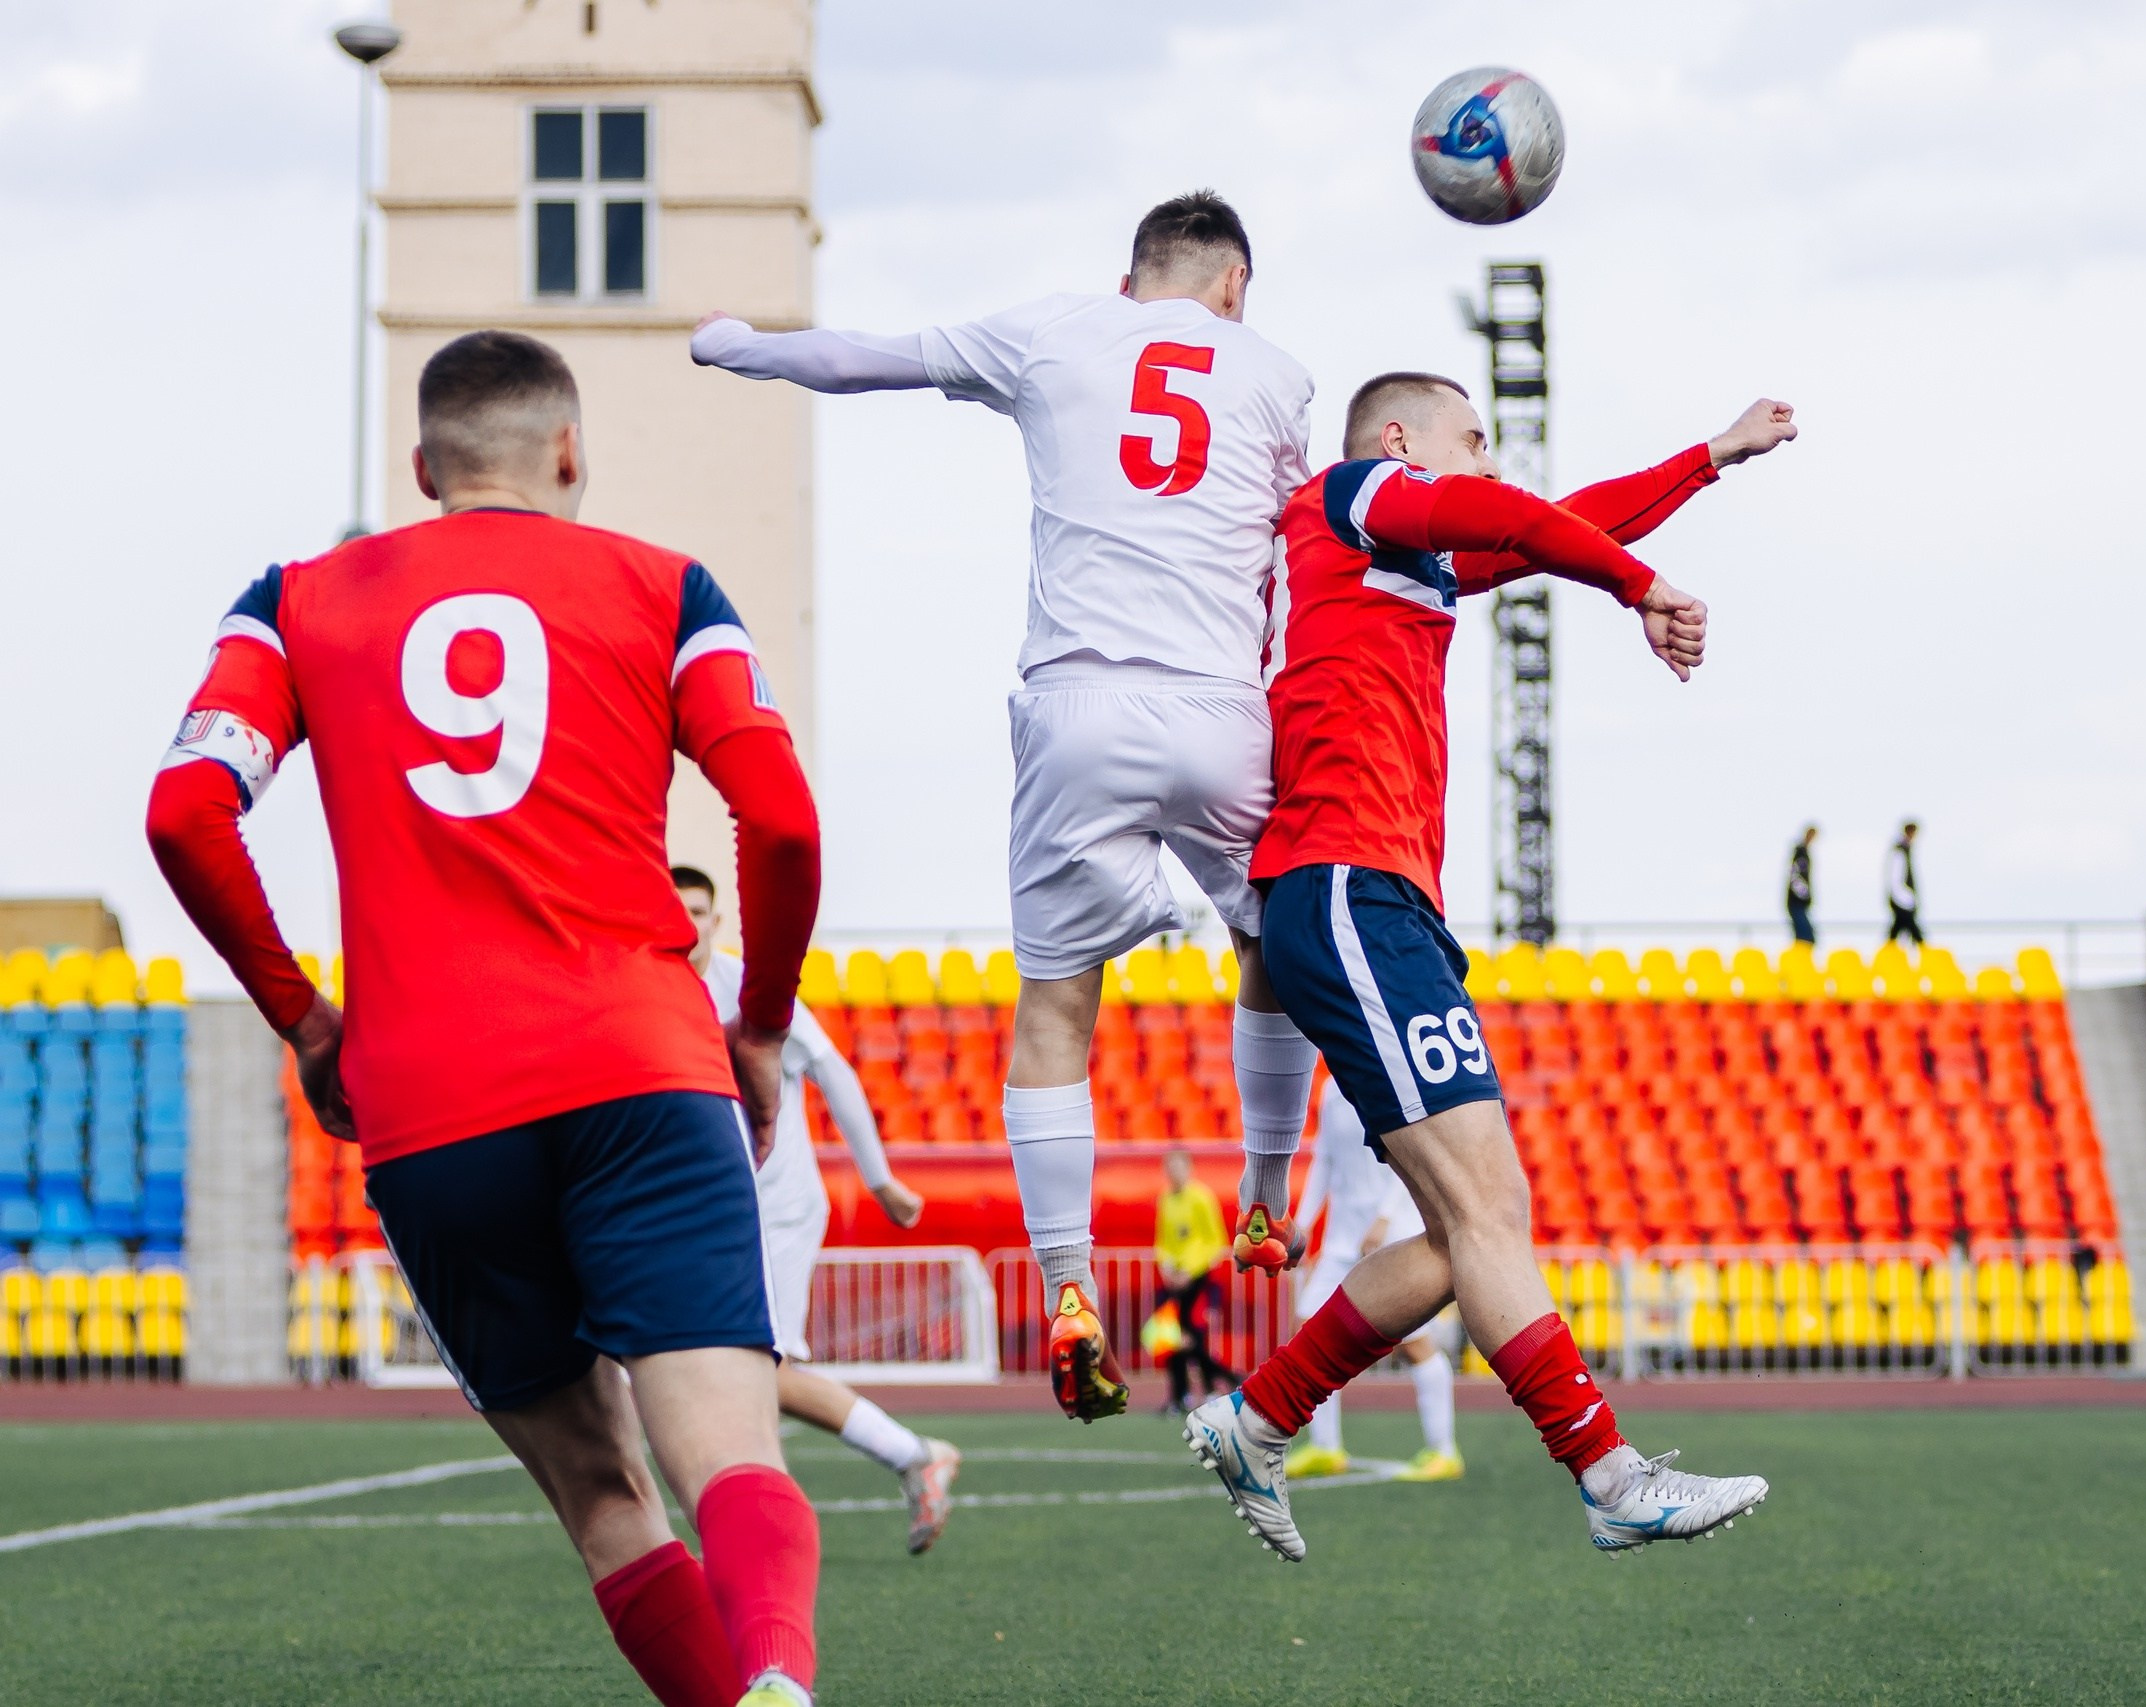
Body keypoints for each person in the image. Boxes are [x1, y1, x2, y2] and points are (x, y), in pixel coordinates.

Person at [148, 332, 823, 1707]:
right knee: (732, 1457)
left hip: (430, 1099)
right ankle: (779, 1679)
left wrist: (302, 1016)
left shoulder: (292, 601)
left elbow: (183, 810)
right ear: (571, 452)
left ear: (423, 470)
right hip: (639, 1060)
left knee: (601, 1487)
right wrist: (756, 1024)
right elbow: (785, 817)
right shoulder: (666, 585)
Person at [691, 191, 1324, 1422]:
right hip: (1221, 708)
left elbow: (865, 361)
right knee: (1270, 943)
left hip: (1077, 705)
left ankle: (1070, 1287)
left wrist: (737, 347)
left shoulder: (1056, 331)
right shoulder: (1278, 373)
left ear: (1131, 276)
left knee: (1054, 1006)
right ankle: (1260, 1191)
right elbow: (1295, 556)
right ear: (1237, 285)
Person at [1181, 371, 1796, 1558]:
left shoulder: (1394, 563)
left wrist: (1707, 458)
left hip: (1374, 901)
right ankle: (1606, 1473)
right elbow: (1524, 521)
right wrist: (1644, 592)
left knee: (1475, 1232)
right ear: (1403, 444)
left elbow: (1561, 518)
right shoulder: (1353, 493)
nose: (1491, 466)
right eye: (1474, 442)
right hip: (1349, 889)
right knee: (1486, 1217)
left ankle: (1261, 1417)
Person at [673, 867, 962, 1554]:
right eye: (676, 911)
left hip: (778, 1208)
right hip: (716, 1212)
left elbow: (833, 1068)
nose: (689, 925)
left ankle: (910, 1455)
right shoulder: (659, 995)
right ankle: (766, 1510)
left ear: (717, 919)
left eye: (699, 911)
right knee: (710, 1364)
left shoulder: (749, 987)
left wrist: (881, 1178)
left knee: (756, 1368)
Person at [1285, 1080, 1463, 1482]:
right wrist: (1306, 1222)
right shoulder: (1332, 1089)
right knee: (1310, 1331)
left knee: (1413, 1342)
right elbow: (1325, 1158)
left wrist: (1384, 1216)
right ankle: (1326, 1447)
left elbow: (1410, 1156)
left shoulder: (1383, 1073)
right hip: (1342, 1237)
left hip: (1393, 1231)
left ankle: (1443, 1451)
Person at [1153, 1147, 1236, 1413]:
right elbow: (1163, 1240)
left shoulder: (1201, 1197)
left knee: (1194, 1338)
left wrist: (1190, 1269)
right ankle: (1180, 1395)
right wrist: (1166, 1266)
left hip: (1197, 1278)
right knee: (1168, 1338)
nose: (1173, 1173)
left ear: (1188, 1168)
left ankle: (1214, 1385)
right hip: (1173, 1280)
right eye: (1169, 1168)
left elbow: (1215, 1240)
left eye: (1178, 1167)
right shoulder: (1165, 1199)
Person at [1883, 819, 1924, 945]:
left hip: (1903, 899)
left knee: (1896, 932)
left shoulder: (1905, 849)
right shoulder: (1900, 850)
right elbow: (1896, 879)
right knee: (1915, 933)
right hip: (1902, 899)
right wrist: (1908, 899)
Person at [1786, 824, 1819, 947]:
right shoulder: (1800, 853)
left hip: (1800, 902)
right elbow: (1796, 877)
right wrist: (1804, 895)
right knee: (1805, 937)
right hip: (1796, 901)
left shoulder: (1803, 852)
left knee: (1805, 936)